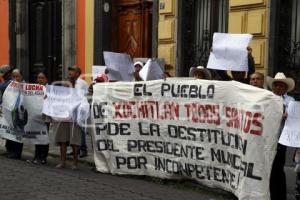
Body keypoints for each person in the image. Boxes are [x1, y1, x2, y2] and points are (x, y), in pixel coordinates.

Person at [267, 72, 295, 200]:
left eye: (281, 86)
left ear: (285, 88)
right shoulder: (266, 98)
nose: (278, 88)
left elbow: (294, 118)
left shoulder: (291, 101)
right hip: (266, 139)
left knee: (278, 168)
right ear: (272, 87)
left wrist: (288, 115)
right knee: (267, 168)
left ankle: (279, 196)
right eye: (276, 85)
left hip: (281, 140)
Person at [52, 79, 82, 169]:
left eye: (67, 85)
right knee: (62, 141)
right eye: (64, 85)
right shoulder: (59, 95)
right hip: (62, 120)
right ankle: (62, 162)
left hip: (74, 121)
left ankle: (75, 163)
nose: (65, 87)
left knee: (75, 143)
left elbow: (83, 106)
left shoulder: (78, 94)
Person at [0, 65, 24, 159]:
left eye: (16, 76)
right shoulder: (7, 83)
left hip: (17, 111)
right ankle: (9, 150)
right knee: (8, 130)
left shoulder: (15, 84)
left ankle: (16, 152)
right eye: (13, 76)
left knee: (16, 131)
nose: (14, 78)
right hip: (7, 109)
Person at [27, 72, 50, 164]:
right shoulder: (35, 89)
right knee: (37, 136)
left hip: (45, 117)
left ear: (46, 79)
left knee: (44, 136)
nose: (40, 80)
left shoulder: (49, 89)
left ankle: (43, 157)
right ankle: (36, 156)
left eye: (42, 78)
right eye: (38, 78)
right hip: (35, 117)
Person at [68, 65, 89, 158]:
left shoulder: (82, 83)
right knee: (73, 129)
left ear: (77, 73)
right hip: (72, 109)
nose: (70, 72)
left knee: (81, 129)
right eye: (70, 71)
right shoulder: (69, 82)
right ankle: (75, 149)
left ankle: (83, 150)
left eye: (72, 71)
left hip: (80, 109)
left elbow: (84, 95)